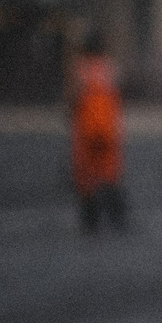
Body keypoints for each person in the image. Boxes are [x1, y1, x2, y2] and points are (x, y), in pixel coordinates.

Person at [67, 31, 126, 233]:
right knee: (109, 174)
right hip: (108, 129)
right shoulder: (110, 68)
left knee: (86, 176)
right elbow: (118, 96)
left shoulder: (80, 69)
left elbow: (73, 97)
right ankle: (118, 216)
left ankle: (90, 219)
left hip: (86, 129)